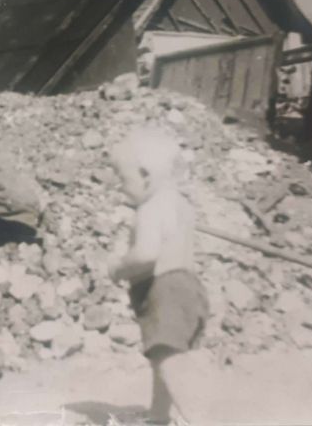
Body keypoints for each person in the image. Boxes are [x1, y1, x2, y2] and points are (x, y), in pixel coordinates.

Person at [107, 128, 209, 425]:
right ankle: (159, 415)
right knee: (163, 357)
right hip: (188, 288)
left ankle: (198, 418)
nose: (120, 187)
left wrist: (118, 268)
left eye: (123, 179)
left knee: (169, 364)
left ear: (145, 175)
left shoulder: (150, 208)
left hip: (165, 291)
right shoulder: (179, 203)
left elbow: (146, 254)